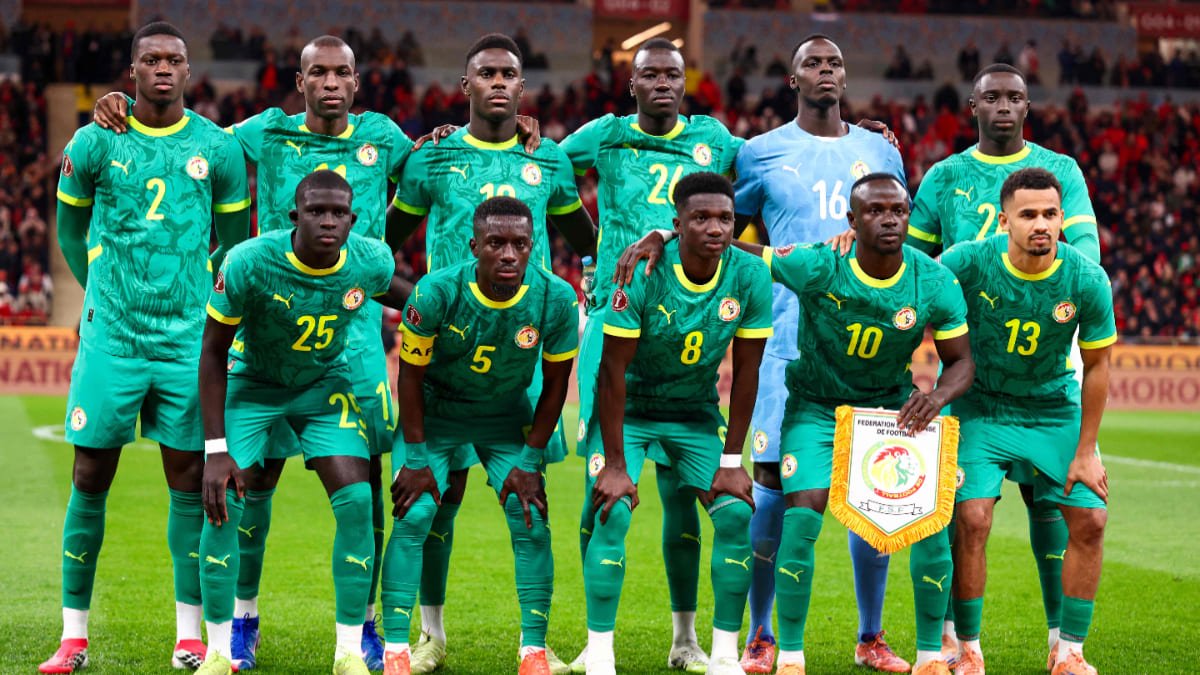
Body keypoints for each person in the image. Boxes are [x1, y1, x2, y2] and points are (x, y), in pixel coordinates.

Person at [88, 34, 540, 669]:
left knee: (373, 483)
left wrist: (503, 124)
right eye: (319, 72)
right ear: (300, 82)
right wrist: (122, 105)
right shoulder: (264, 132)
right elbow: (194, 135)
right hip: (269, 329)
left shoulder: (383, 137)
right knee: (257, 481)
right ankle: (242, 619)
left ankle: (369, 625)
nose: (331, 82)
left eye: (343, 72)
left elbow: (441, 162)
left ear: (357, 83)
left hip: (353, 338)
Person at [41, 21, 250, 674]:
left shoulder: (216, 149)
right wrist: (99, 276)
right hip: (114, 339)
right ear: (131, 72)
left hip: (187, 341)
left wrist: (199, 301)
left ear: (190, 72)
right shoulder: (96, 138)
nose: (164, 68)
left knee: (188, 482)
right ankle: (73, 634)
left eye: (175, 60)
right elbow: (71, 225)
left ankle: (189, 633)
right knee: (88, 475)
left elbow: (235, 244)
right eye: (151, 59)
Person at [385, 33, 595, 675]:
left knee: (531, 508)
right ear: (466, 84)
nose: (499, 82)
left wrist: (582, 295)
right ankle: (429, 637)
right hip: (438, 366)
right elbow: (378, 250)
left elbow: (585, 243)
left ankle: (534, 646)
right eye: (487, 73)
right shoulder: (433, 157)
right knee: (431, 508)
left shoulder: (550, 159)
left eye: (510, 73)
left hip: (515, 376)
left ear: (523, 88)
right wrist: (426, 303)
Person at [734, 173, 973, 675]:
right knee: (803, 513)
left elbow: (961, 361)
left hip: (888, 410)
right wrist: (675, 235)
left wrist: (939, 395)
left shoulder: (933, 281)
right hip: (817, 407)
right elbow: (747, 255)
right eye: (875, 210)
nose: (889, 219)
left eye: (898, 210)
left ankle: (927, 655)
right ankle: (790, 656)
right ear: (851, 220)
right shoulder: (821, 263)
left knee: (926, 520)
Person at [558, 37, 744, 674]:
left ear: (684, 83)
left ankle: (686, 639)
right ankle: (595, 641)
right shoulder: (604, 136)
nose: (663, 83)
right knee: (601, 496)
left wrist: (857, 134)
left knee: (680, 500)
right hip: (618, 322)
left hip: (685, 323)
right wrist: (592, 254)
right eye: (650, 75)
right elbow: (547, 176)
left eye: (672, 74)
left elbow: (758, 177)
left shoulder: (715, 140)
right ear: (631, 84)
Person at [907, 63, 1101, 666]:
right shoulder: (945, 177)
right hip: (971, 377)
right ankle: (953, 639)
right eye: (991, 97)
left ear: (1027, 107)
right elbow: (910, 268)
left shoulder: (1061, 172)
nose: (1003, 107)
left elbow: (1084, 258)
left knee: (1056, 509)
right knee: (963, 515)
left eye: (1014, 97)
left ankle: (1060, 644)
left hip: (1046, 368)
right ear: (973, 105)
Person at [731, 34, 909, 674]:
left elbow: (897, 234)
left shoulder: (878, 149)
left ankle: (871, 636)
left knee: (876, 494)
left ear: (844, 74)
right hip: (789, 350)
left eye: (835, 61)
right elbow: (725, 230)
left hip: (873, 353)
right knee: (773, 488)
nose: (826, 70)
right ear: (792, 77)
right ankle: (761, 634)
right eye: (813, 62)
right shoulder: (758, 154)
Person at [193, 170, 404, 675]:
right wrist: (215, 448)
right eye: (316, 212)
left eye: (338, 214)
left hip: (323, 386)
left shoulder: (370, 259)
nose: (328, 221)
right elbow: (212, 350)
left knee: (357, 500)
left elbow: (406, 294)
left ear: (354, 220)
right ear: (295, 216)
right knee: (228, 501)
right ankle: (222, 649)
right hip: (254, 384)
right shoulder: (248, 261)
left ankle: (349, 651)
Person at [583, 172, 772, 675]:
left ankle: (719, 654)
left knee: (734, 514)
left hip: (694, 413)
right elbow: (612, 371)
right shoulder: (643, 271)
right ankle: (599, 655)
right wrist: (618, 463)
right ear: (677, 224)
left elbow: (748, 374)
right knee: (612, 509)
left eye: (726, 219)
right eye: (701, 218)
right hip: (631, 411)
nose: (715, 228)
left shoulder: (750, 276)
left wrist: (733, 462)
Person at [382, 196, 578, 675]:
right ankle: (397, 651)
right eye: (496, 243)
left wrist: (530, 464)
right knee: (417, 512)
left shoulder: (555, 298)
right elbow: (409, 378)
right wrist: (417, 456)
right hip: (437, 415)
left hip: (504, 418)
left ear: (534, 246)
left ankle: (533, 650)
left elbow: (555, 388)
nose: (509, 254)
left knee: (528, 512)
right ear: (475, 246)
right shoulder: (435, 292)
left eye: (520, 244)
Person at [940, 168, 1115, 675]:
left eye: (1051, 214)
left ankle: (1069, 653)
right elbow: (912, 285)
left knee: (1091, 518)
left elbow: (1099, 365)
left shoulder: (1085, 277)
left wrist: (1085, 451)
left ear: (1063, 218)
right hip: (981, 406)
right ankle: (967, 648)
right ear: (1004, 219)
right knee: (971, 518)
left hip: (1052, 407)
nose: (1042, 224)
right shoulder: (969, 261)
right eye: (1029, 214)